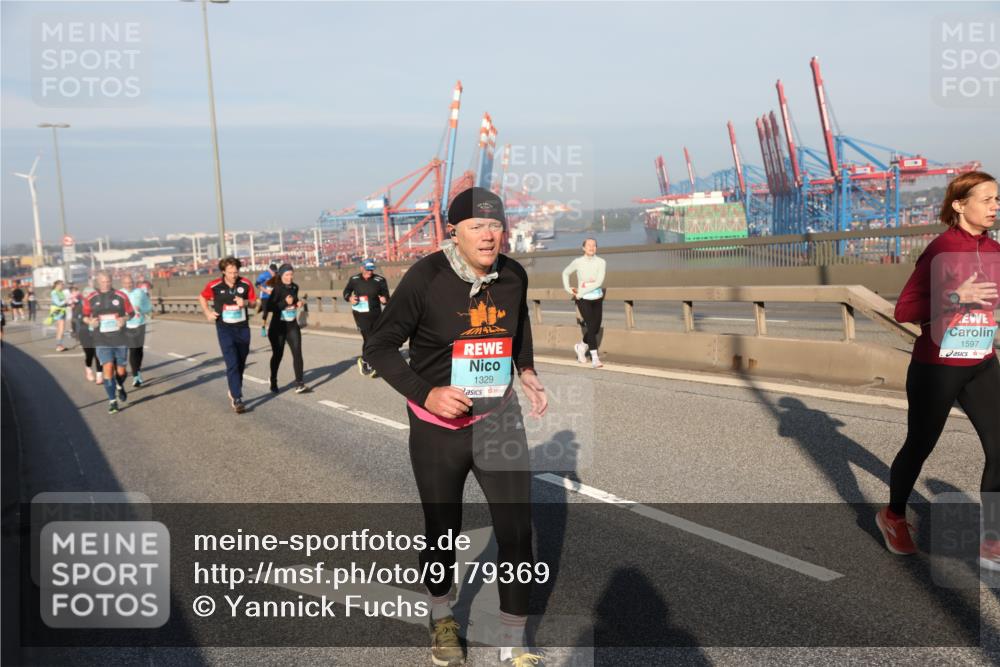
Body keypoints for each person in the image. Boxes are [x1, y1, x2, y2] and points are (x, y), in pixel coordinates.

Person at [365, 186, 548, 667]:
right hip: (437, 429)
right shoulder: (426, 279)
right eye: (476, 227)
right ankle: (443, 617)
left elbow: (518, 324)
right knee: (442, 531)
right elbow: (379, 347)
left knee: (516, 532)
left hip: (498, 419)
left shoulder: (513, 275)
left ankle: (514, 640)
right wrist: (427, 393)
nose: (488, 237)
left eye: (494, 226)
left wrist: (525, 369)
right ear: (455, 231)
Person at [877, 171, 1000, 565]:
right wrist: (953, 295)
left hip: (981, 360)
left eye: (997, 200)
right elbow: (904, 310)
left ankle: (992, 540)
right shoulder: (940, 249)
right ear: (960, 205)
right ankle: (893, 515)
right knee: (920, 445)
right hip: (938, 365)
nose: (995, 207)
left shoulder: (995, 250)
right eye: (987, 200)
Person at [199, 257, 256, 413]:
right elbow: (202, 297)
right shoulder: (215, 285)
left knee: (241, 362)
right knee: (232, 362)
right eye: (230, 272)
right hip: (224, 328)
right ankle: (237, 398)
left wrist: (244, 303)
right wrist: (207, 313)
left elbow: (254, 303)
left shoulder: (245, 284)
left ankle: (233, 389)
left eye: (236, 272)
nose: (233, 275)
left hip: (243, 328)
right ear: (223, 272)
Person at [82, 272, 134, 414]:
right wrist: (90, 321)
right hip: (101, 338)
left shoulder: (121, 296)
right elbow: (85, 316)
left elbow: (131, 312)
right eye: (103, 281)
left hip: (120, 338)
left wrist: (124, 318)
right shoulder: (91, 298)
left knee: (121, 371)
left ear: (112, 281)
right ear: (98, 282)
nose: (106, 284)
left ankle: (119, 384)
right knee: (108, 367)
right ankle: (112, 401)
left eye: (108, 281)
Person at [562, 238, 607, 368]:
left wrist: (581, 290)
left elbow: (599, 282)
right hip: (583, 300)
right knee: (591, 327)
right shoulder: (578, 262)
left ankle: (581, 347)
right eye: (589, 245)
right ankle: (595, 358)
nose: (591, 247)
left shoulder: (601, 262)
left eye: (594, 245)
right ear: (583, 248)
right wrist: (569, 289)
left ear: (596, 248)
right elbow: (565, 273)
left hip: (597, 298)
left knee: (596, 328)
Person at [264, 263, 308, 394]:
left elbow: (293, 301)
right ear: (281, 275)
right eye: (287, 275)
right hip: (278, 327)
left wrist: (297, 303)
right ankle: (273, 380)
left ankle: (299, 383)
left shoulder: (295, 287)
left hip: (292, 325)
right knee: (278, 355)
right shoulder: (277, 289)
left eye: (291, 274)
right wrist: (285, 303)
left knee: (297, 353)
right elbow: (270, 307)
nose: (290, 277)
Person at [343, 259, 389, 377]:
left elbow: (386, 297)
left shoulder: (380, 280)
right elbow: (346, 292)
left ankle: (364, 360)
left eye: (372, 269)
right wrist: (349, 298)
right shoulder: (354, 280)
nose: (370, 271)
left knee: (374, 339)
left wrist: (384, 300)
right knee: (369, 338)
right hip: (360, 314)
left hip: (376, 315)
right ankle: (370, 364)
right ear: (362, 268)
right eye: (368, 269)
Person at [121, 274, 154, 387]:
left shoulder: (140, 292)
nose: (128, 285)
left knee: (139, 350)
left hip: (140, 323)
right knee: (133, 349)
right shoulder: (119, 294)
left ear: (133, 283)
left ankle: (138, 369)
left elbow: (149, 307)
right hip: (127, 325)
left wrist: (142, 309)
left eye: (130, 282)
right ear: (122, 284)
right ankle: (136, 376)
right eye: (126, 283)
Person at [75, 280, 102, 385]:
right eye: (88, 295)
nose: (90, 297)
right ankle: (88, 369)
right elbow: (77, 320)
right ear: (84, 295)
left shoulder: (98, 305)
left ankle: (100, 375)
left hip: (97, 332)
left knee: (98, 353)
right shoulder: (79, 307)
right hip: (84, 333)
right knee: (89, 354)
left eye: (92, 294)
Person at [256, 262, 278, 336]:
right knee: (265, 313)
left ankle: (276, 328)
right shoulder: (263, 275)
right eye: (273, 272)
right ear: (269, 270)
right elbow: (257, 284)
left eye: (275, 272)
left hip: (274, 297)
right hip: (265, 297)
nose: (274, 273)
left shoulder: (277, 276)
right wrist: (266, 291)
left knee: (277, 312)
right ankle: (263, 328)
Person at [47, 280, 69, 351]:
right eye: (62, 285)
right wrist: (66, 301)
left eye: (63, 285)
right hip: (58, 311)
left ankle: (59, 345)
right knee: (61, 329)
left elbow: (63, 302)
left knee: (60, 329)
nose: (63, 286)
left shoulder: (60, 292)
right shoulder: (54, 292)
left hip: (62, 311)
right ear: (57, 285)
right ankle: (59, 346)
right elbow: (58, 303)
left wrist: (68, 303)